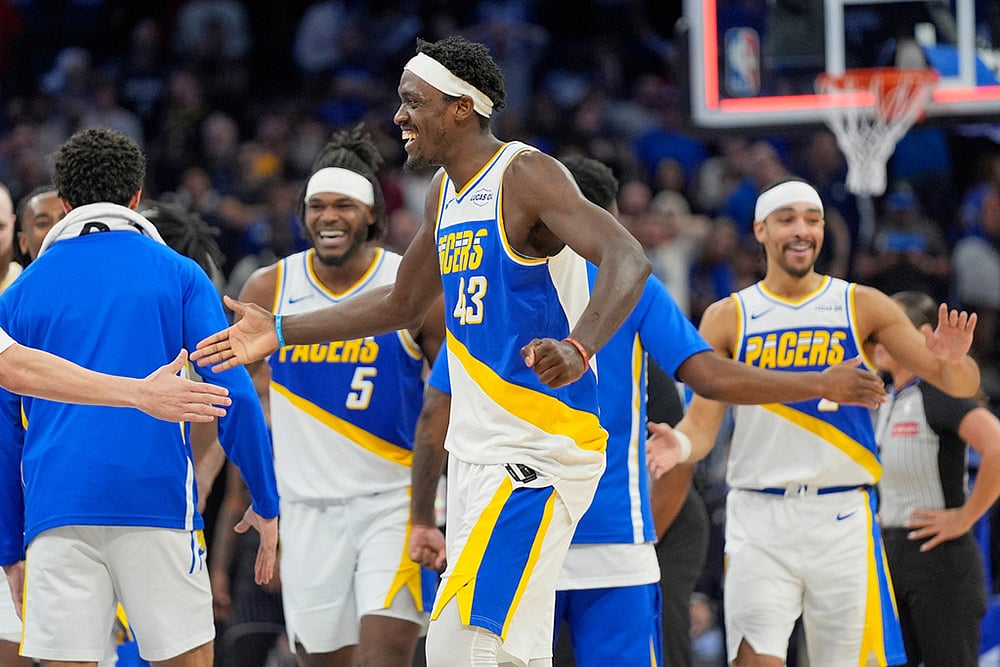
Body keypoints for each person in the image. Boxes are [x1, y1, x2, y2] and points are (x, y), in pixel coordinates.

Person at [193, 35, 654, 667]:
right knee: (498, 651)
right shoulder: (445, 192)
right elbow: (400, 304)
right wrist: (278, 329)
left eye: (413, 102)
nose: (399, 117)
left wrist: (581, 344)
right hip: (475, 458)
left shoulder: (524, 173)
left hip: (535, 455)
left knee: (466, 648)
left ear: (461, 107)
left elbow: (629, 257)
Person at [406, 157, 888, 667]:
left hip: (514, 525)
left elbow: (436, 409)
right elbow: (709, 376)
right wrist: (821, 382)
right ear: (602, 219)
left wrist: (421, 518)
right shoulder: (632, 287)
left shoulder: (494, 284)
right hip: (613, 534)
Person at [646, 178, 981, 666]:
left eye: (812, 219)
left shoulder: (862, 304)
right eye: (787, 220)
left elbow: (957, 383)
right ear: (760, 230)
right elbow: (703, 424)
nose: (802, 230)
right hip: (758, 517)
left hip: (842, 516)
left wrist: (953, 361)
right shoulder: (728, 316)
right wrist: (679, 444)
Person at [0, 127, 279, 666]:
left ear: (62, 204)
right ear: (135, 198)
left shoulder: (21, 292)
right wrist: (266, 503)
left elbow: (5, 434)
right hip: (155, 504)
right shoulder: (179, 274)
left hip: (57, 509)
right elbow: (235, 398)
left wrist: (11, 546)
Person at [234, 123, 445, 666]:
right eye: (317, 206)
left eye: (344, 206)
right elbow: (233, 397)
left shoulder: (410, 284)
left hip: (391, 501)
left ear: (372, 214)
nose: (328, 216)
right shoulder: (268, 288)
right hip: (305, 508)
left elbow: (451, 393)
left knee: (385, 655)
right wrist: (258, 495)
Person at [874, 290, 1000, 667]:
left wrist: (966, 517)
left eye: (888, 328)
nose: (877, 337)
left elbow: (997, 446)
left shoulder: (942, 393)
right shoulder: (887, 399)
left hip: (941, 565)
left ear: (923, 335)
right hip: (893, 558)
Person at [15, 184, 64, 263]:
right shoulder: (19, 275)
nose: (56, 228)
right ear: (23, 242)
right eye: (43, 223)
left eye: (65, 219)